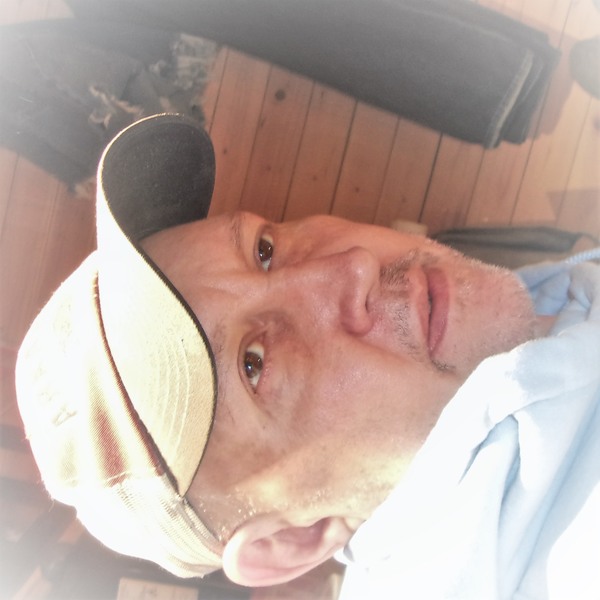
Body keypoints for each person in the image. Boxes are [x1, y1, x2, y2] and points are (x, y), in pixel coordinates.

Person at [16, 114, 600, 599]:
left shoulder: (539, 317)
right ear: (290, 541)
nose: (352, 267)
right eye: (254, 364)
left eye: (264, 251)